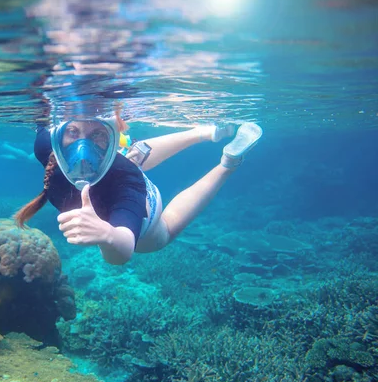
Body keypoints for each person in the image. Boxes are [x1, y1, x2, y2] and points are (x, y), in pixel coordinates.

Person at [15, 109, 262, 265]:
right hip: (123, 165)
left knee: (163, 232)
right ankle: (207, 133)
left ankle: (227, 163)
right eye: (72, 131)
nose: (82, 148)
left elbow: (122, 250)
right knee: (131, 155)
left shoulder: (127, 181)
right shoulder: (48, 147)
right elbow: (44, 118)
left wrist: (107, 235)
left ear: (110, 140)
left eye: (98, 135)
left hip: (147, 214)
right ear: (58, 136)